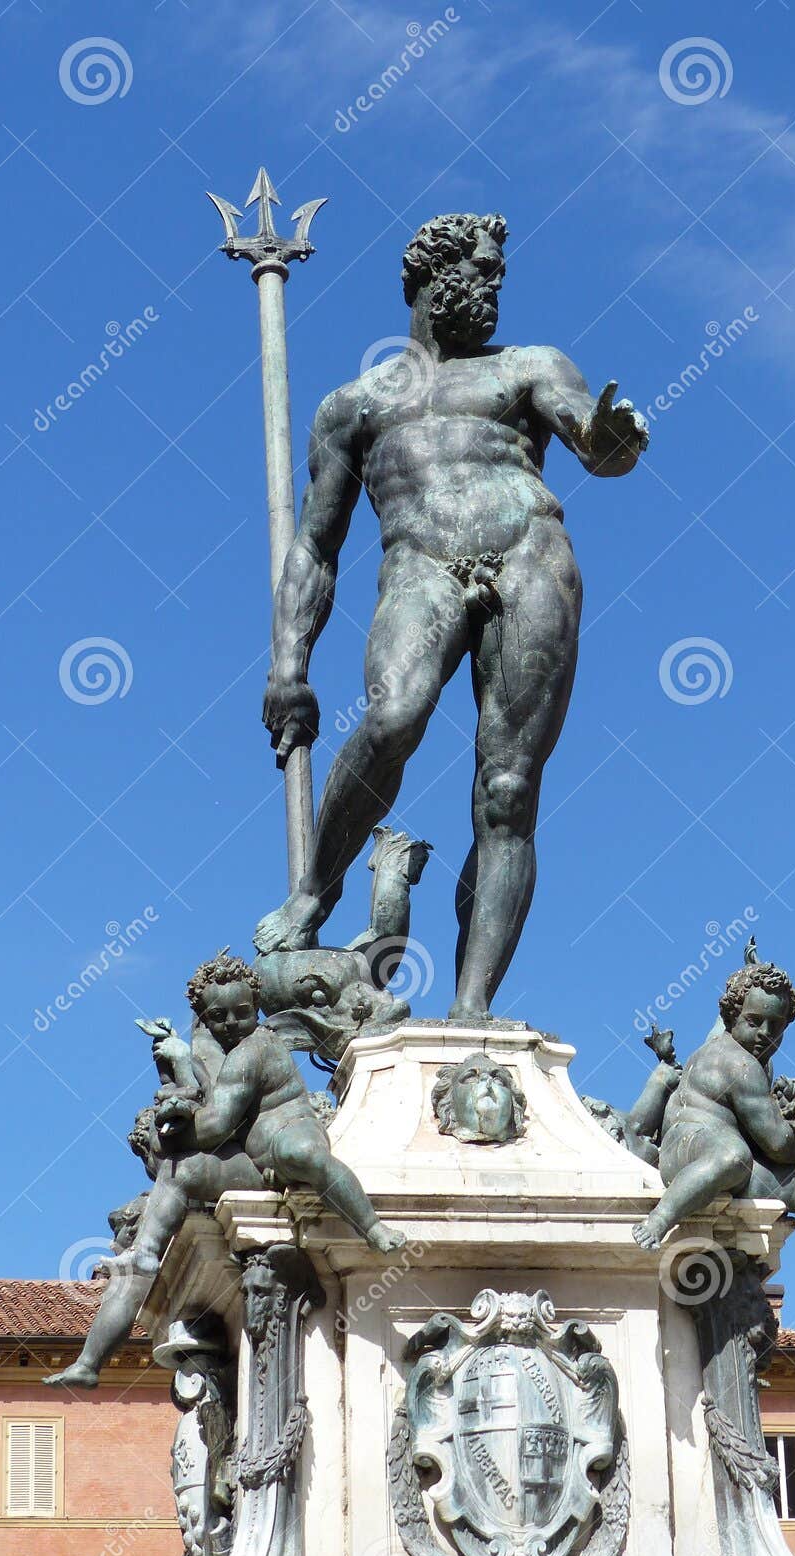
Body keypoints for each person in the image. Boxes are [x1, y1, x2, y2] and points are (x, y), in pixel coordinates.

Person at [254, 211, 648, 1019]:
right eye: (484, 269)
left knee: (506, 787)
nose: (497, 285)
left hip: (529, 557)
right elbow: (315, 545)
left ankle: (472, 1012)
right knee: (393, 718)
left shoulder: (530, 367)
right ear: (433, 277)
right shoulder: (354, 405)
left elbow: (596, 447)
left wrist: (613, 439)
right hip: (419, 563)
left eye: (501, 272)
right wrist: (289, 665)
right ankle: (313, 896)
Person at [45, 952, 402, 1389]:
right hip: (253, 1163)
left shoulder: (256, 1048)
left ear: (258, 1008)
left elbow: (214, 1125)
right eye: (219, 1016)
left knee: (304, 1157)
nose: (233, 1023)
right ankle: (128, 1286)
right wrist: (176, 1067)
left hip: (287, 1136)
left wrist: (175, 1123)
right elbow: (199, 1094)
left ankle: (372, 1227)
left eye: (243, 1013)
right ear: (204, 1017)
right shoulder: (213, 1046)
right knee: (178, 1173)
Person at [631, 954, 795, 1294]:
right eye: (755, 1022)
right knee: (734, 1155)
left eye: (776, 1025)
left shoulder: (727, 1038)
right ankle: (661, 1218)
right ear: (734, 1017)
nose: (765, 1034)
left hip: (721, 1158)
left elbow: (771, 1136)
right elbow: (779, 1146)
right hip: (687, 1151)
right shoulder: (740, 1066)